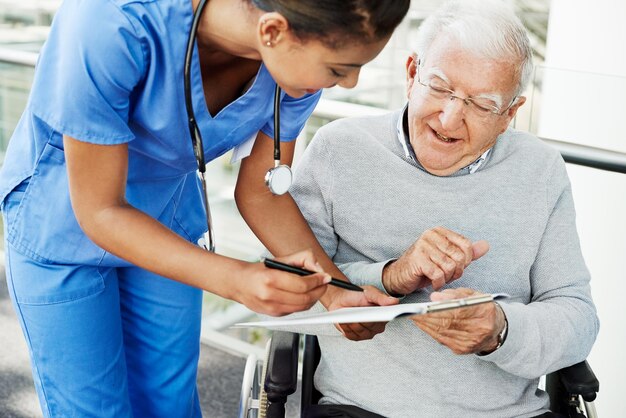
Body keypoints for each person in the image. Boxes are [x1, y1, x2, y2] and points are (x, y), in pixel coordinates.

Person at [0, 0, 410, 417]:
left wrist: (337, 293)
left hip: (166, 219)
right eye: (340, 69)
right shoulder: (109, 22)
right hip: (63, 223)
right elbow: (101, 211)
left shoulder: (295, 72)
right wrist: (236, 280)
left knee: (170, 404)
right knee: (95, 409)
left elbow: (262, 192)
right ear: (273, 31)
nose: (351, 84)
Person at [287, 1, 599, 417]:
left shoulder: (539, 170)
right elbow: (285, 292)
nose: (450, 119)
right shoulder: (337, 149)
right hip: (361, 409)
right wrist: (391, 277)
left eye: (482, 104)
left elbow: (577, 319)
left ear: (509, 115)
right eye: (439, 87)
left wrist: (500, 330)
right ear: (412, 73)